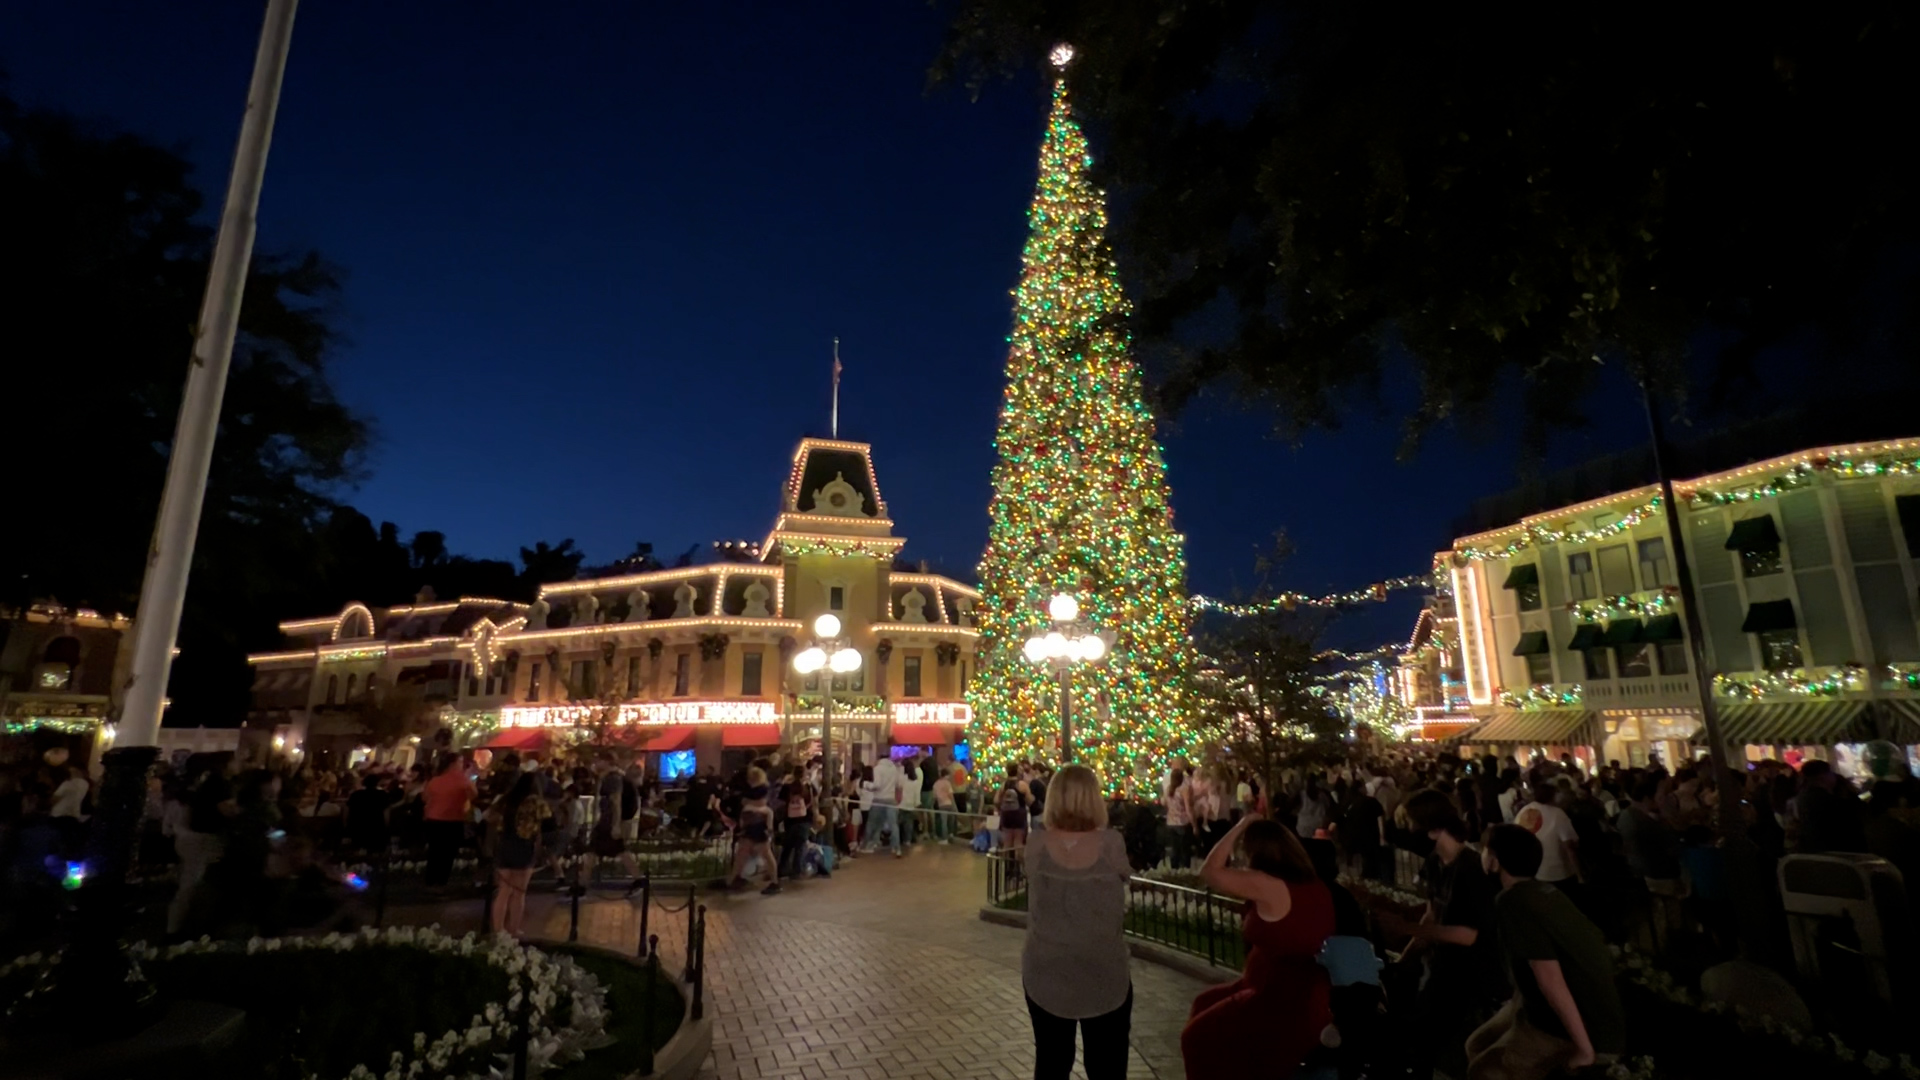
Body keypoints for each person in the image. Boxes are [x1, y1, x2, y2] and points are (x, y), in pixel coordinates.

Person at [1182, 813, 1335, 1079]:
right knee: (1203, 1002)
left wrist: (1240, 827)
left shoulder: (1268, 884)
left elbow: (1210, 871)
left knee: (1195, 1037)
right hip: (1282, 983)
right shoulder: (1311, 883)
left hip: (1277, 993)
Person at [1468, 825, 1625, 1079]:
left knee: (1484, 1071)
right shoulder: (1542, 892)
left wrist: (1585, 1050)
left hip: (1574, 1025)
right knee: (1476, 1046)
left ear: (1495, 861)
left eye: (1485, 850)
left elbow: (1550, 980)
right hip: (1544, 1009)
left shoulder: (1514, 903)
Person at [1381, 789, 1503, 1080]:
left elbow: (1469, 935)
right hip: (1442, 969)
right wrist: (1407, 956)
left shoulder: (1471, 869)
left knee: (1447, 1051)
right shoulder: (1436, 863)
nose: (1408, 833)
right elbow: (1433, 914)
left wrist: (1405, 928)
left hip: (1470, 979)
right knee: (1423, 1040)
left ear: (1433, 829)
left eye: (1412, 825)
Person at [1021, 765, 1133, 1080]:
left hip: (1046, 967)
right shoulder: (1111, 843)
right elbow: (1125, 876)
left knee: (1052, 1061)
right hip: (1102, 966)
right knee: (1107, 1064)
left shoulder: (1037, 843)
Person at [168, 753, 235, 938]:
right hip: (203, 840)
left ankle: (178, 927)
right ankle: (177, 932)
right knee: (192, 885)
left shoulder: (204, 784)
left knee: (190, 883)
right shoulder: (220, 783)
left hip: (190, 837)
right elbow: (226, 810)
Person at [486, 771, 555, 936]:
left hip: (504, 844)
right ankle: (514, 928)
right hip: (524, 846)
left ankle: (498, 929)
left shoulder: (506, 799)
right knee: (519, 892)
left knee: (503, 891)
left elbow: (488, 815)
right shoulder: (536, 802)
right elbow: (550, 824)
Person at [1512, 779, 1580, 900]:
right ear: (1553, 796)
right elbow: (1569, 846)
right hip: (1557, 872)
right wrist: (1580, 874)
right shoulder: (1557, 814)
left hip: (1532, 871)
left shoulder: (1523, 812)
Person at [422, 753, 475, 891]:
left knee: (434, 852)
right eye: (460, 761)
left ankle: (430, 881)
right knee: (448, 854)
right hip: (453, 819)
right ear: (453, 764)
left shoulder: (435, 780)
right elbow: (474, 794)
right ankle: (441, 883)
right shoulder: (463, 780)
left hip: (433, 819)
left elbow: (425, 797)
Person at [727, 769, 780, 895]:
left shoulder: (762, 789)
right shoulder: (759, 789)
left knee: (765, 853)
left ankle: (774, 881)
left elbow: (758, 803)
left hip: (758, 824)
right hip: (753, 824)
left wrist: (747, 803)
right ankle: (734, 878)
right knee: (743, 853)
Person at [864, 754, 906, 857]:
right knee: (893, 825)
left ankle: (868, 844)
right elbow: (899, 784)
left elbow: (877, 785)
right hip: (891, 799)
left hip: (879, 799)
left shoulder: (878, 769)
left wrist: (866, 785)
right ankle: (896, 848)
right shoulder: (894, 769)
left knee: (873, 823)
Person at [1164, 767, 1193, 870]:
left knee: (1174, 849)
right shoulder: (1183, 790)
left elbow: (1164, 803)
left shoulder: (1168, 790)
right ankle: (1185, 871)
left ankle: (1174, 870)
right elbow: (1188, 808)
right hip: (1182, 823)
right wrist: (1194, 825)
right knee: (1185, 850)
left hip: (1171, 822)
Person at [997, 777, 1029, 852]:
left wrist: (1001, 807)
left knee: (1007, 842)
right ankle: (1017, 862)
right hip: (1019, 816)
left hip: (1006, 816)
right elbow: (1029, 800)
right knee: (1018, 842)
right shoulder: (1022, 785)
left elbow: (996, 800)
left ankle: (1007, 862)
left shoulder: (1003, 785)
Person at [899, 755, 924, 847]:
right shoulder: (915, 780)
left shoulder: (902, 779)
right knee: (908, 824)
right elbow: (916, 793)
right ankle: (908, 840)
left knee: (899, 823)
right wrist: (917, 803)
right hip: (910, 804)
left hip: (901, 803)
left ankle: (899, 839)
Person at [931, 766, 957, 843]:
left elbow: (934, 797)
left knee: (944, 822)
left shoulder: (936, 784)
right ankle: (951, 834)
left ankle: (945, 838)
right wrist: (954, 805)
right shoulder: (947, 783)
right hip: (949, 803)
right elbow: (951, 795)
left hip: (941, 805)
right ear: (945, 775)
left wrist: (933, 805)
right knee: (951, 820)